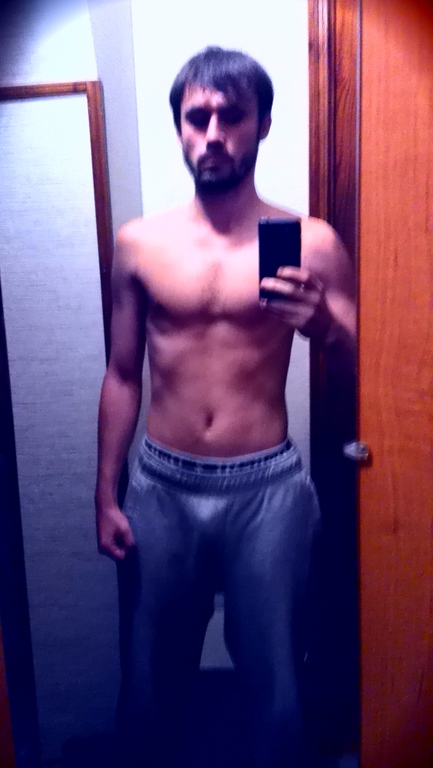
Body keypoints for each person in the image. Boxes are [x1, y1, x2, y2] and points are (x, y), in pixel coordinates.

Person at [95, 46, 356, 768]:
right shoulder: (139, 245)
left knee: (277, 679)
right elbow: (121, 374)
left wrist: (326, 327)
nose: (212, 134)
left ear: (262, 124)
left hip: (266, 489)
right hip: (161, 485)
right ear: (179, 127)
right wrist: (105, 493)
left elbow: (376, 374)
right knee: (150, 677)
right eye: (196, 117)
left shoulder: (313, 244)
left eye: (231, 117)